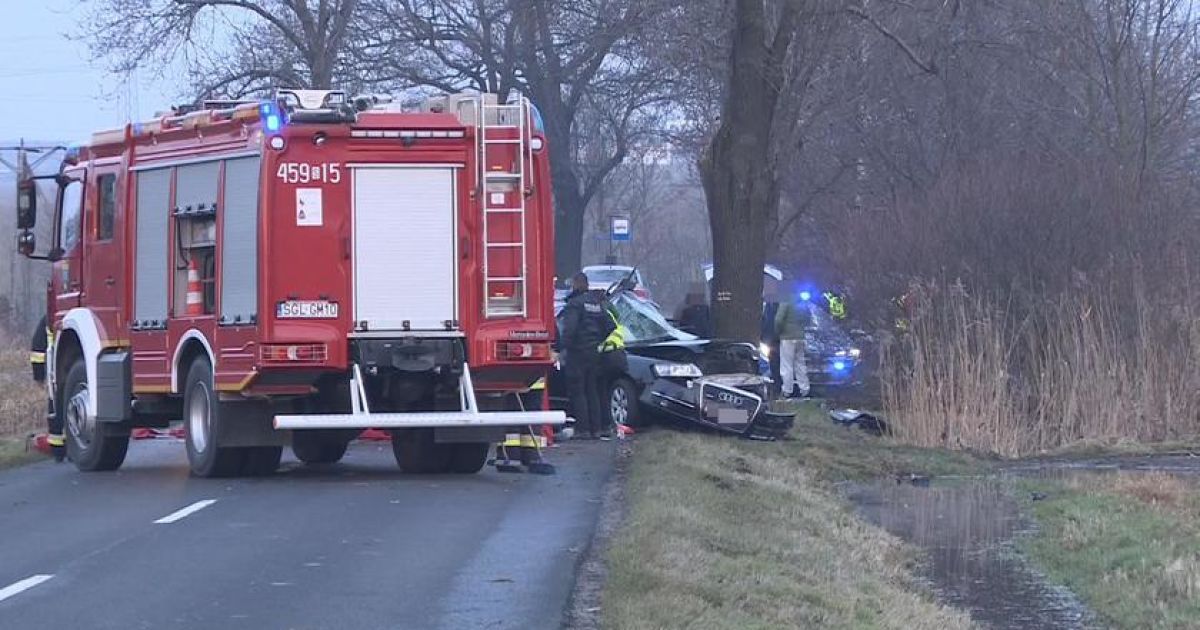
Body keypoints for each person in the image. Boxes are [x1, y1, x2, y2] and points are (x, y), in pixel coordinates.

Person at [556, 272, 616, 439]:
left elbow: (570, 330)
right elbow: (610, 326)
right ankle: (596, 429)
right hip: (594, 353)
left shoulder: (574, 305)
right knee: (593, 391)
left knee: (578, 392)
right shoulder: (597, 303)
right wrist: (596, 341)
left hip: (577, 353)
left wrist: (562, 348)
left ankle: (582, 429)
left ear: (575, 284)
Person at [29, 315, 63, 461]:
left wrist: (39, 376)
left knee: (55, 408)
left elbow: (37, 349)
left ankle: (58, 451)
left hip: (55, 373)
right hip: (67, 370)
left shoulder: (49, 318)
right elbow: (37, 352)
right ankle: (63, 448)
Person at [774, 293, 812, 398]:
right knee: (800, 364)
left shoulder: (786, 299)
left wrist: (778, 332)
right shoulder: (801, 301)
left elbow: (778, 319)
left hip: (787, 337)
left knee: (787, 365)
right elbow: (808, 317)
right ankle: (805, 389)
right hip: (800, 337)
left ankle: (787, 390)